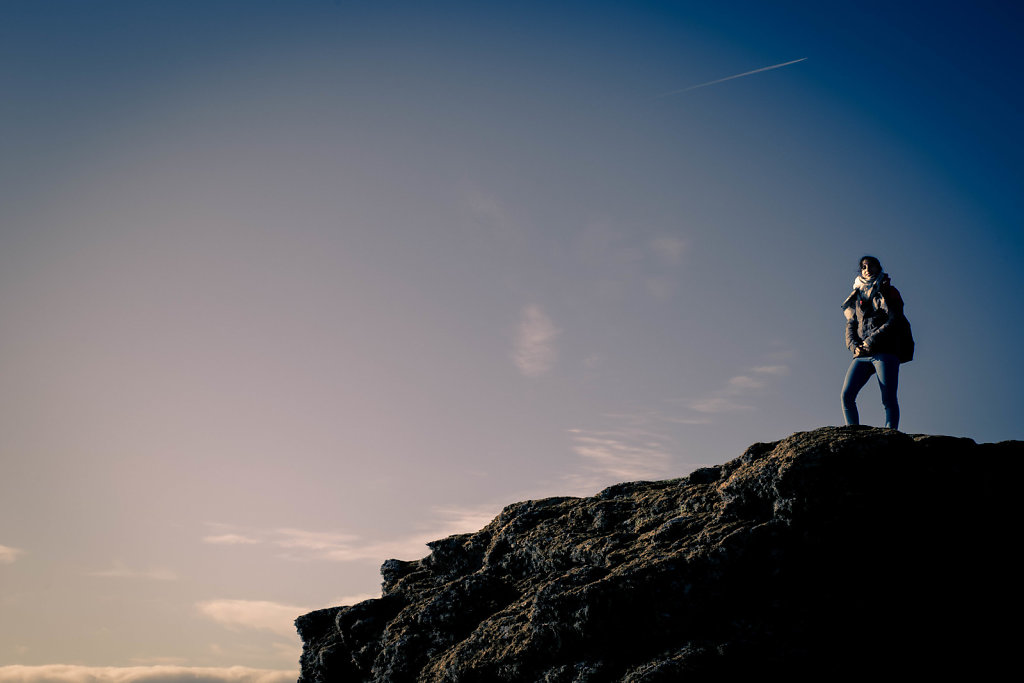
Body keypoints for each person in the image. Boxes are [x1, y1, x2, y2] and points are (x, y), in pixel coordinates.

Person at [840, 255, 909, 429]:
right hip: (863, 354)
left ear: (879, 268)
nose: (867, 269)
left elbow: (895, 320)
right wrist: (854, 347)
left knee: (888, 398)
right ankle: (852, 434)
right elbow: (851, 324)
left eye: (871, 266)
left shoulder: (889, 291)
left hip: (886, 351)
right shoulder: (856, 296)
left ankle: (890, 434)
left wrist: (870, 341)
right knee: (847, 395)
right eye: (863, 267)